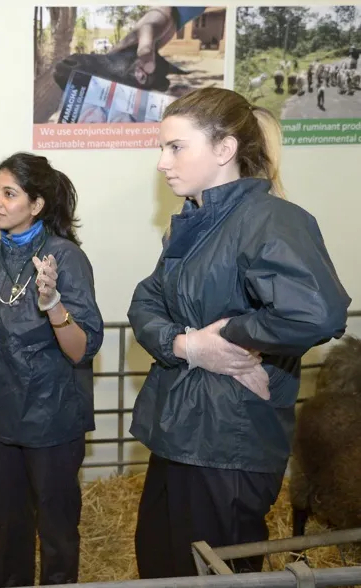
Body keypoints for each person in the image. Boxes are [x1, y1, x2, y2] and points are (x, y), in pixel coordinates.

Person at [127, 87, 351, 578]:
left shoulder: (270, 220)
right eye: (163, 148)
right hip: (177, 428)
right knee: (161, 563)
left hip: (229, 440)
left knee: (216, 570)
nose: (163, 163)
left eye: (176, 147)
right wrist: (189, 345)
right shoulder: (189, 225)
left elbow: (319, 313)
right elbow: (144, 303)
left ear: (224, 150)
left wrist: (232, 333)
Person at [0, 152, 104, 587]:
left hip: (53, 417)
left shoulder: (65, 258)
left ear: (36, 205)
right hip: (0, 415)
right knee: (8, 526)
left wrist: (53, 304)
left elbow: (82, 349)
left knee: (56, 530)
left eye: (9, 193)